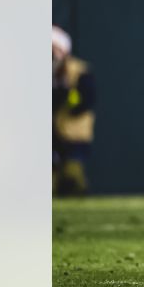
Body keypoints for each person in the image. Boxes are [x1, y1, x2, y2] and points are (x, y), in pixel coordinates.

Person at [53, 27, 95, 196]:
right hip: (52, 133)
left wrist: (66, 93)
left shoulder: (79, 72)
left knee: (73, 174)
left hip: (73, 133)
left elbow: (84, 102)